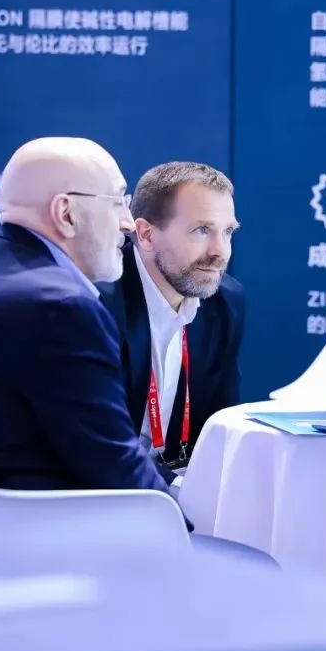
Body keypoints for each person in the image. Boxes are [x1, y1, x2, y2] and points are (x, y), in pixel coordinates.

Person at [0, 136, 167, 493]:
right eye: (117, 202)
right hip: (14, 520)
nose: (128, 223)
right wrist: (185, 523)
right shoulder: (58, 306)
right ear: (66, 213)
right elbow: (117, 468)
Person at [99, 162, 244, 486]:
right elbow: (99, 444)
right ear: (146, 235)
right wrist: (176, 490)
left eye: (228, 232)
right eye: (201, 230)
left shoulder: (226, 301)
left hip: (181, 484)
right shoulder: (99, 302)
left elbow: (222, 421)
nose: (220, 251)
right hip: (109, 488)